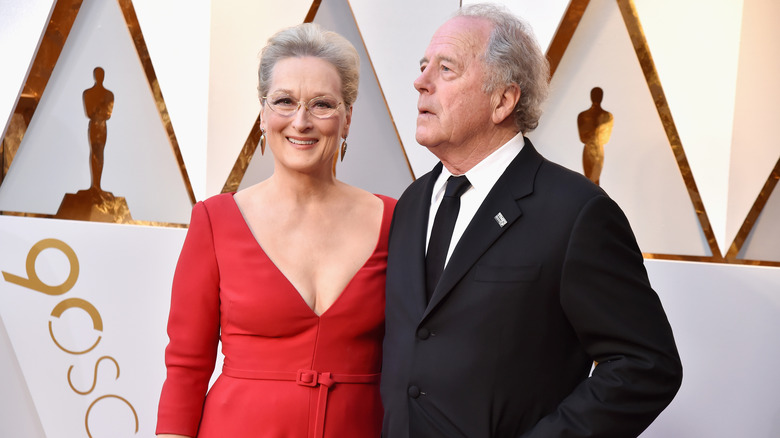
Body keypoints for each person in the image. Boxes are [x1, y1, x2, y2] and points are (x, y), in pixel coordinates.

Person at [380, 4, 682, 438]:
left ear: (503, 99)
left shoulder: (577, 212)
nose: (420, 82)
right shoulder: (411, 203)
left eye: (445, 69)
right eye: (423, 66)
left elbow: (646, 366)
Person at [156, 23, 395, 438]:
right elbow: (185, 369)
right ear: (264, 114)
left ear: (347, 119)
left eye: (322, 104)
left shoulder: (396, 221)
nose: (300, 122)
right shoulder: (215, 221)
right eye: (284, 101)